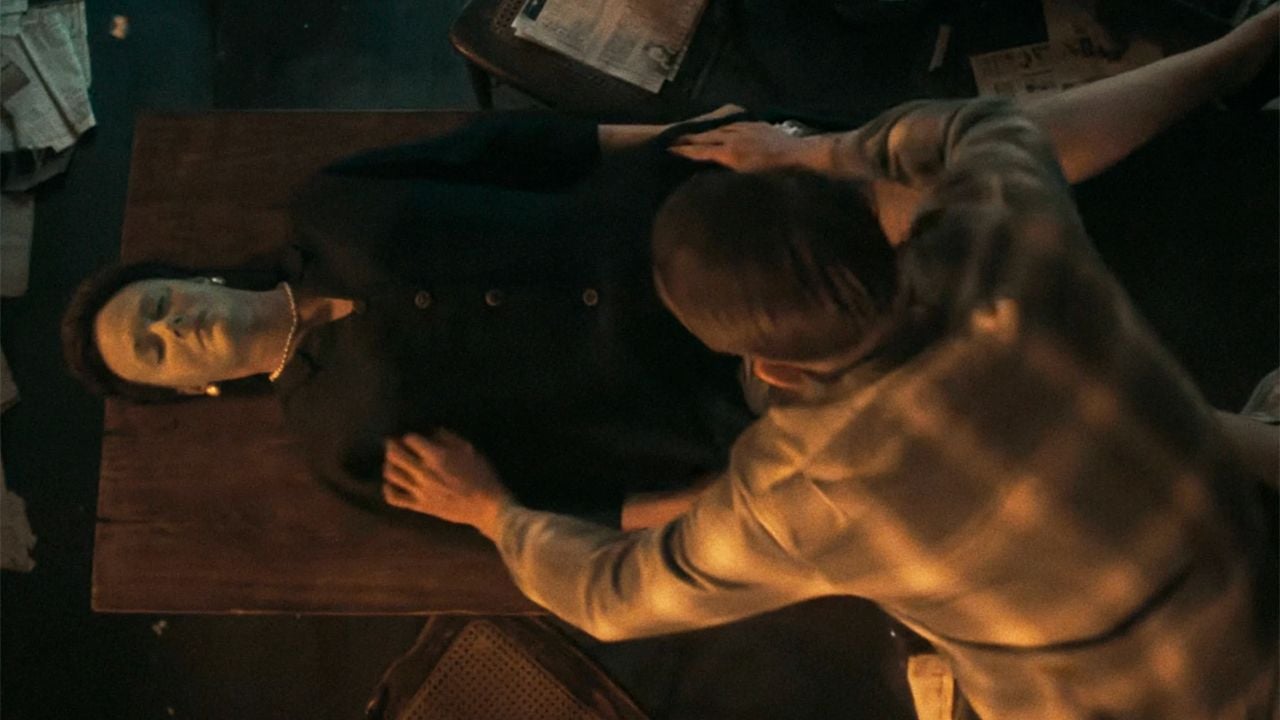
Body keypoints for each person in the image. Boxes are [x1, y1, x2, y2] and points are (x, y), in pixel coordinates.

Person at [377, 9, 1279, 719]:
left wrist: (491, 510)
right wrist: (810, 150)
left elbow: (612, 597)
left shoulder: (802, 493)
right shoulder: (1008, 225)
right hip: (1240, 555)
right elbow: (971, 132)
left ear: (772, 371)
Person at [63, 108, 764, 524]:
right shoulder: (340, 445)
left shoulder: (329, 203)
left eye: (158, 305)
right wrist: (710, 501)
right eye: (155, 349)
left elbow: (502, 149)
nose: (172, 327)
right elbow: (536, 506)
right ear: (191, 387)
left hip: (694, 212)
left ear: (190, 279)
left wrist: (678, 136)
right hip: (710, 388)